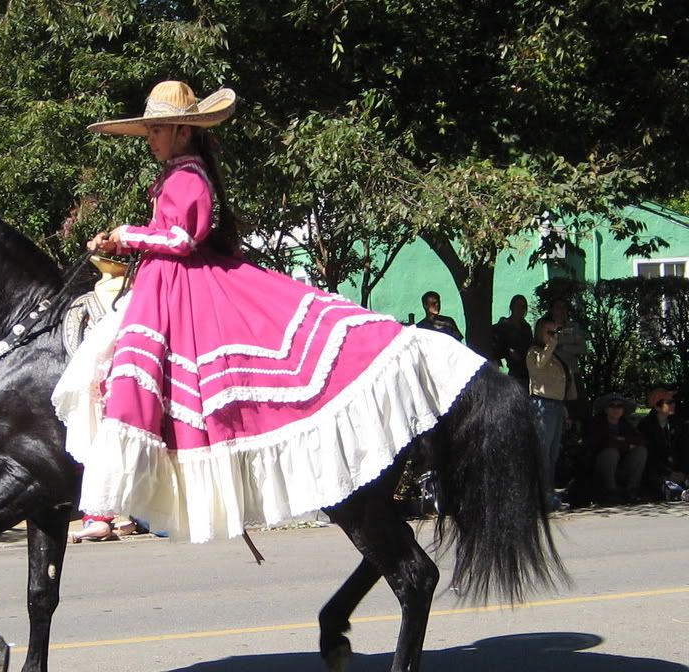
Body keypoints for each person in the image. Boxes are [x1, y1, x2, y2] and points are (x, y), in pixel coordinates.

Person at [51, 80, 487, 541]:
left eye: (157, 129)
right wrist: (126, 239)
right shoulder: (176, 174)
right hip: (165, 285)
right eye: (150, 131)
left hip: (181, 284)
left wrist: (128, 235)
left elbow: (182, 239)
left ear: (182, 130)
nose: (151, 138)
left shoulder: (189, 176)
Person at [527, 316, 576, 510]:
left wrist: (564, 409)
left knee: (553, 454)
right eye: (549, 332)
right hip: (542, 405)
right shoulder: (534, 352)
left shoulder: (553, 354)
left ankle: (549, 495)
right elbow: (539, 365)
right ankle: (542, 497)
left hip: (555, 405)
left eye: (555, 332)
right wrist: (552, 344)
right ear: (539, 332)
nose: (553, 336)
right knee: (543, 453)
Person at [584, 392, 648, 504]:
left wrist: (622, 442)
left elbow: (640, 440)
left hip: (621, 467)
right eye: (612, 405)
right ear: (606, 409)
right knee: (611, 453)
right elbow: (603, 444)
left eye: (619, 406)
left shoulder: (625, 424)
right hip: (599, 468)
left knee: (641, 451)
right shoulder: (596, 424)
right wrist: (625, 444)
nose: (616, 408)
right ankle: (611, 491)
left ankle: (632, 490)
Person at [636, 386, 688, 500]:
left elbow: (685, 449)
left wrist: (683, 472)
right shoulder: (645, 426)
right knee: (659, 480)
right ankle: (678, 493)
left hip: (679, 470)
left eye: (674, 402)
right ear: (657, 405)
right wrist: (669, 473)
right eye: (669, 402)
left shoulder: (679, 424)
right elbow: (650, 456)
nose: (673, 405)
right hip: (658, 472)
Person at [549, 297, 588, 420]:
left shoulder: (573, 327)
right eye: (558, 307)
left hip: (572, 371)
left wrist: (564, 347)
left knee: (579, 408)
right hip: (554, 375)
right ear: (552, 310)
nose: (562, 311)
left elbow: (583, 348)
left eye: (564, 307)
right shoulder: (547, 328)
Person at [492, 295, 533, 383]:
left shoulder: (526, 327)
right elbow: (497, 348)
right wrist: (508, 351)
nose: (521, 309)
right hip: (513, 370)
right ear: (512, 307)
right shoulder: (503, 326)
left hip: (527, 370)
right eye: (518, 306)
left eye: (524, 307)